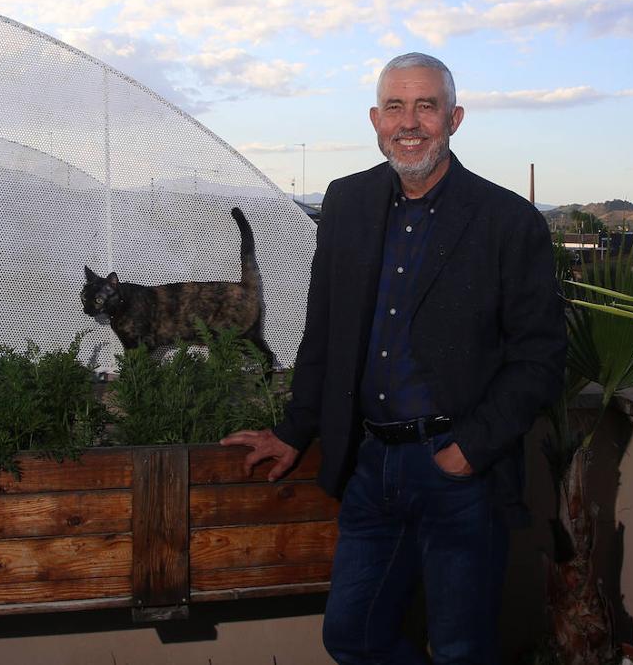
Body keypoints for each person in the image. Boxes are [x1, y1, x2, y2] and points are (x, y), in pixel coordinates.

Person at [222, 52, 565, 664]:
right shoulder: (346, 202)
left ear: (454, 119)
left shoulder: (506, 220)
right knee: (351, 635)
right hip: (369, 465)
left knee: (462, 648)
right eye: (396, 107)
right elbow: (324, 331)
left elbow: (540, 357)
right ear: (375, 120)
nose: (410, 122)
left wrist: (470, 450)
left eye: (426, 106)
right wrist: (295, 429)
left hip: (457, 472)